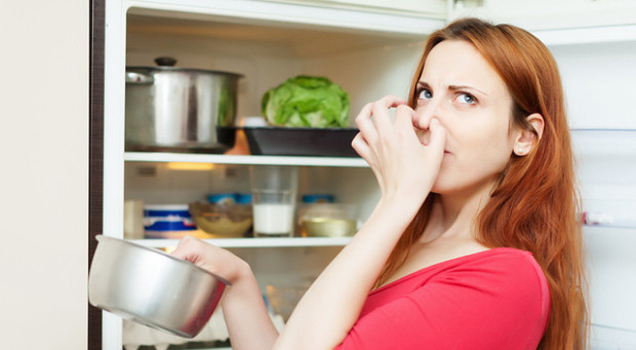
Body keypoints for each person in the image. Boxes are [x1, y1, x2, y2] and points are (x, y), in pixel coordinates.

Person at [172, 17, 588, 350]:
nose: (426, 119)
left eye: (466, 98)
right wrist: (238, 282)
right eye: (425, 93)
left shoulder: (504, 280)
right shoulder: (408, 244)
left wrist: (397, 198)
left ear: (524, 137)